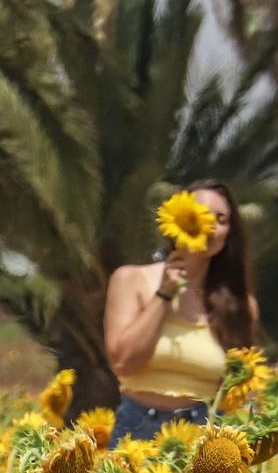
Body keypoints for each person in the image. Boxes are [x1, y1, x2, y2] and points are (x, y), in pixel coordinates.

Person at [102, 180, 258, 446]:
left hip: (205, 436)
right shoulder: (132, 280)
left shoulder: (239, 306)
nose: (209, 225)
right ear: (178, 218)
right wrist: (164, 294)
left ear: (229, 233)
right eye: (202, 214)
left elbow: (237, 389)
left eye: (221, 219)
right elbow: (124, 362)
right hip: (139, 430)